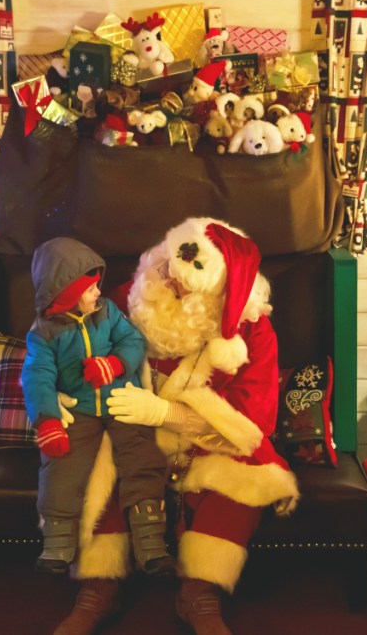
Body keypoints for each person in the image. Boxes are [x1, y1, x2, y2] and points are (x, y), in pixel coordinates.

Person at [52, 218, 299, 635]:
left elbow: (253, 425)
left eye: (180, 283)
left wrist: (167, 415)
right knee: (90, 460)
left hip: (204, 445)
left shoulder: (253, 331)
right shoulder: (120, 301)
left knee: (244, 479)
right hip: (127, 436)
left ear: (215, 295)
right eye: (163, 267)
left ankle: (198, 594)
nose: (164, 282)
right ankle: (99, 587)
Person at [21, 237, 174, 578]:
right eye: (88, 289)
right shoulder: (44, 333)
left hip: (121, 398)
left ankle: (151, 543)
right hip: (80, 407)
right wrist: (47, 420)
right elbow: (37, 377)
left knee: (143, 457)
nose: (96, 292)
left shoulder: (106, 311)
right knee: (61, 462)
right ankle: (57, 543)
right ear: (66, 296)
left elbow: (132, 340)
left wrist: (116, 365)